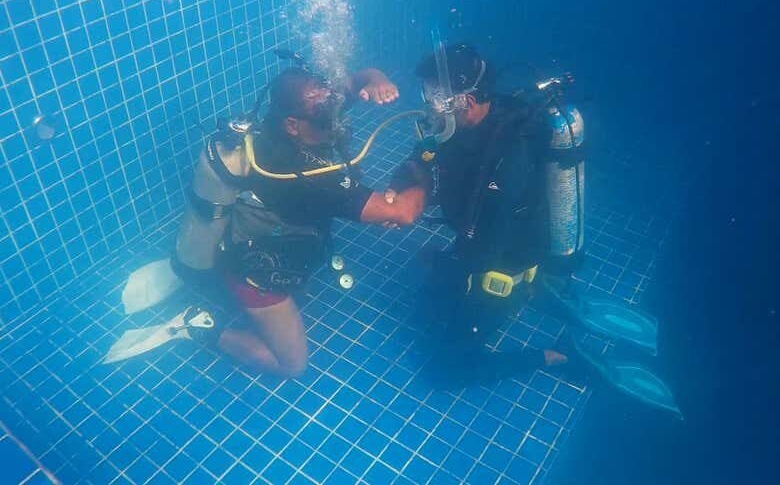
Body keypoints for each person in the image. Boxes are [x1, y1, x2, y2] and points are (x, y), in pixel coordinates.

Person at [108, 66, 426, 377]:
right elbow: (402, 213)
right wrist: (433, 166)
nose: (338, 123)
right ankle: (197, 327)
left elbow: (360, 78)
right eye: (329, 117)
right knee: (291, 365)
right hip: (255, 272)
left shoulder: (296, 116)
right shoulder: (304, 174)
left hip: (253, 231)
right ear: (292, 125)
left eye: (335, 108)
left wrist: (377, 79)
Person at [386, 44, 568, 384]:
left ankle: (544, 357)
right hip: (472, 245)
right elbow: (419, 161)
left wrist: (458, 278)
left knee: (442, 371)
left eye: (436, 98)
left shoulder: (512, 153)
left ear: (466, 102)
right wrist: (400, 188)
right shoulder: (457, 128)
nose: (429, 106)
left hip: (501, 267)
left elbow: (488, 237)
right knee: (421, 319)